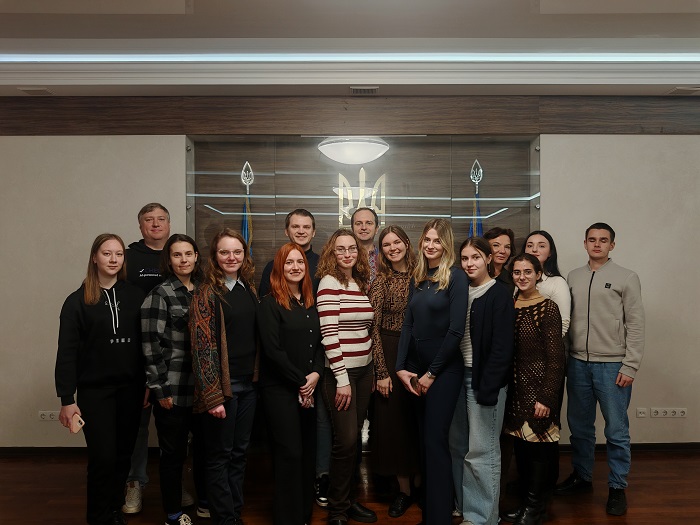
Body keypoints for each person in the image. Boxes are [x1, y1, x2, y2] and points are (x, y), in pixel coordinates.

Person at [555, 223, 645, 517]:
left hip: (613, 365)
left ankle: (617, 487)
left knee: (616, 430)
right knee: (580, 428)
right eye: (592, 240)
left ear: (612, 245)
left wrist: (630, 365)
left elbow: (636, 324)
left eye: (603, 240)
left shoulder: (626, 277)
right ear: (585, 243)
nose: (597, 244)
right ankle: (582, 477)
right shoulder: (573, 277)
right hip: (578, 364)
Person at [55, 233, 145, 525]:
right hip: (95, 392)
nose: (113, 259)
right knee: (102, 458)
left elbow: (145, 345)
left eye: (118, 254)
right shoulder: (77, 301)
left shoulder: (135, 295)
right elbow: (67, 353)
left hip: (131, 389)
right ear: (94, 257)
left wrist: (147, 385)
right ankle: (97, 517)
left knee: (123, 456)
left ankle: (114, 511)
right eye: (107, 254)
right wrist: (67, 399)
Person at [395, 219, 469, 525]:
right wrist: (401, 368)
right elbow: (408, 324)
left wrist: (432, 373)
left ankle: (438, 517)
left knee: (435, 441)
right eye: (427, 239)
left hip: (444, 370)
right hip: (415, 370)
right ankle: (431, 507)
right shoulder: (419, 275)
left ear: (446, 244)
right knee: (424, 441)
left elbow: (456, 331)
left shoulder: (456, 277)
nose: (430, 245)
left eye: (437, 241)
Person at [190, 228, 259, 525]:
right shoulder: (206, 293)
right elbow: (202, 348)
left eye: (237, 252)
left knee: (239, 453)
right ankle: (224, 519)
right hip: (223, 389)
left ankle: (234, 513)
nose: (231, 257)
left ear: (244, 255)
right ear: (214, 256)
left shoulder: (248, 288)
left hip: (249, 385)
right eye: (224, 252)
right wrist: (213, 395)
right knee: (220, 455)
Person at [258, 242, 325, 525]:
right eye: (289, 262)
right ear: (279, 267)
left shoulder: (311, 301)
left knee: (307, 452)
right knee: (290, 453)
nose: (295, 267)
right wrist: (301, 382)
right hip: (280, 390)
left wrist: (316, 374)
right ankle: (287, 518)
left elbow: (320, 343)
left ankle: (303, 514)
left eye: (299, 262)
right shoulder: (270, 303)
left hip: (309, 387)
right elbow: (272, 351)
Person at [450, 236, 515, 525]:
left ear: (489, 259)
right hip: (457, 377)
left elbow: (503, 347)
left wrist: (490, 385)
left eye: (475, 257)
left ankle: (483, 518)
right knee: (459, 447)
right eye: (464, 258)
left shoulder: (499, 293)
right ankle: (465, 507)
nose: (469, 263)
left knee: (482, 450)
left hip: (483, 380)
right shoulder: (459, 291)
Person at [142, 234, 205, 525]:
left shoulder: (204, 291)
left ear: (196, 256)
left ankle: (205, 503)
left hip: (204, 390)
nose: (183, 260)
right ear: (169, 260)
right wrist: (160, 389)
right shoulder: (160, 294)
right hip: (174, 389)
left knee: (204, 451)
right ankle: (173, 514)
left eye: (188, 254)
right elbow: (150, 346)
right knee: (173, 455)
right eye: (177, 255)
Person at [316, 229, 376, 525]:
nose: (347, 253)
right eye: (340, 249)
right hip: (341, 374)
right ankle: (337, 510)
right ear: (332, 252)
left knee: (354, 443)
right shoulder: (329, 282)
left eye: (352, 248)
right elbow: (328, 334)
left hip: (365, 371)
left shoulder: (360, 282)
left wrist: (372, 368)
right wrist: (341, 379)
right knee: (347, 440)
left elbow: (365, 329)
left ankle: (348, 501)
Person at [501, 254, 565, 525]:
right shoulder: (510, 305)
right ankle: (527, 505)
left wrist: (546, 397)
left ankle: (535, 508)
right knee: (523, 452)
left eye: (528, 271)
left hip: (538, 391)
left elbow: (556, 358)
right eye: (517, 272)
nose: (522, 277)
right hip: (515, 391)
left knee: (539, 452)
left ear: (538, 274)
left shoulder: (548, 308)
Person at [123, 202, 177, 515]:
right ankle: (135, 482)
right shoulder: (128, 258)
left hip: (176, 356)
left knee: (174, 427)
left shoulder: (178, 252)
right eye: (149, 220)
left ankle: (174, 483)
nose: (155, 224)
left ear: (169, 224)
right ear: (141, 226)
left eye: (161, 219)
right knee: (138, 426)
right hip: (138, 355)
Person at [368, 226, 421, 518]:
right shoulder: (380, 282)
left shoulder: (422, 276)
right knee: (396, 424)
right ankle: (404, 490)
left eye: (397, 242)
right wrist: (382, 371)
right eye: (386, 244)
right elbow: (373, 329)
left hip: (420, 353)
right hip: (390, 351)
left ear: (407, 243)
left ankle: (421, 484)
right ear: (382, 251)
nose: (393, 248)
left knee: (419, 422)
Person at [258, 209, 320, 297]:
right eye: (295, 227)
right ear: (286, 231)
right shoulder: (273, 266)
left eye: (306, 227)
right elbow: (264, 302)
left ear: (313, 232)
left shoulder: (323, 265)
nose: (301, 231)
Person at [522, 230, 570, 337]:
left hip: (546, 344)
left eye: (541, 246)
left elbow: (563, 323)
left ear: (550, 253)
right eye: (529, 246)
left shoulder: (557, 282)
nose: (534, 250)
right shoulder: (518, 280)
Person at [351, 207, 379, 283]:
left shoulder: (385, 258)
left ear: (376, 229)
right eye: (358, 223)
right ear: (352, 229)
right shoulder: (345, 258)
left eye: (369, 223)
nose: (364, 227)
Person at [484, 227, 516, 293]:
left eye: (507, 247)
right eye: (496, 245)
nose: (502, 251)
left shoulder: (512, 280)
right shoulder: (475, 275)